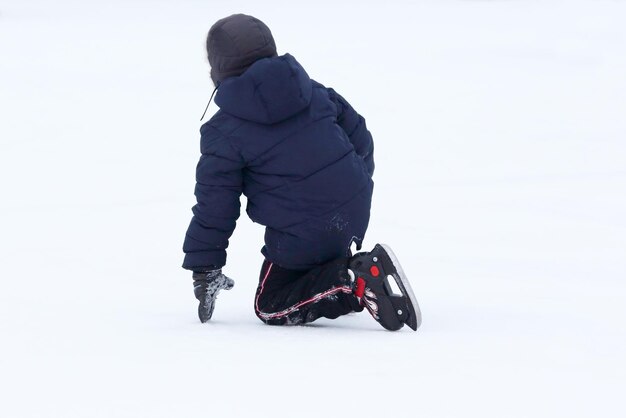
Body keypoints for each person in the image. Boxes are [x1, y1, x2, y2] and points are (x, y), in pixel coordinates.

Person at [183, 14, 421, 331]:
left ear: (219, 67)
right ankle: (343, 274)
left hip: (305, 232)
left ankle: (352, 281)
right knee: (310, 258)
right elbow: (360, 137)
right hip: (352, 210)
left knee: (270, 304)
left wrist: (205, 267)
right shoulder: (314, 91)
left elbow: (215, 206)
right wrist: (354, 186)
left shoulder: (223, 132)